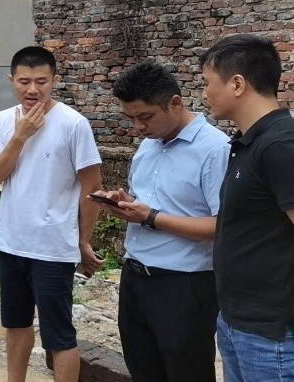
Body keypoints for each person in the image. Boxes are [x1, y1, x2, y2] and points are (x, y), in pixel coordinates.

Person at [90, 61, 227, 382]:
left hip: (185, 284)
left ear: (175, 103)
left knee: (187, 374)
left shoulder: (214, 149)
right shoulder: (148, 144)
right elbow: (152, 204)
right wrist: (125, 203)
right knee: (143, 371)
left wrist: (151, 217)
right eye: (131, 118)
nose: (138, 126)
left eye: (146, 116)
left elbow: (222, 227)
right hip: (135, 276)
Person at [0, 46, 103, 382]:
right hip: (11, 242)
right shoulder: (4, 120)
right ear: (11, 80)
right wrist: (20, 136)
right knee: (16, 325)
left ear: (54, 80)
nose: (32, 89)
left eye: (41, 81)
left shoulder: (73, 124)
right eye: (24, 82)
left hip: (52, 247)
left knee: (59, 335)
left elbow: (92, 188)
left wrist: (82, 240)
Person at [198, 34, 294, 381]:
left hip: (272, 334)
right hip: (237, 322)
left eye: (207, 83)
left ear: (237, 84)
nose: (204, 94)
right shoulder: (249, 143)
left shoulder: (281, 145)